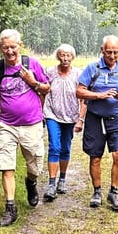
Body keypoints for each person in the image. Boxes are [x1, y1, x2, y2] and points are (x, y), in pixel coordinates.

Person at [0, 29, 50, 227]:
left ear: (19, 46)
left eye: (13, 47)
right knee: (6, 166)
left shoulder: (32, 64)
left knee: (35, 165)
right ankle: (10, 207)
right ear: (0, 48)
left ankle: (31, 183)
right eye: (6, 48)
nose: (10, 51)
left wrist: (33, 82)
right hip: (7, 126)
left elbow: (47, 88)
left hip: (32, 124)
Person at [76, 35, 118, 212]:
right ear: (102, 50)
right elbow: (79, 91)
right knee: (95, 157)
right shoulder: (92, 69)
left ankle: (114, 192)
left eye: (115, 52)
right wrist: (99, 96)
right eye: (109, 52)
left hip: (116, 118)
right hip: (95, 118)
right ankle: (97, 191)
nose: (112, 56)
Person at [42, 44, 86, 202]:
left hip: (70, 116)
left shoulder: (78, 74)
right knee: (54, 146)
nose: (65, 58)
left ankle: (62, 179)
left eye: (68, 56)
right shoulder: (50, 72)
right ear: (58, 57)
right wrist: (41, 112)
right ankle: (51, 184)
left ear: (73, 57)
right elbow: (43, 90)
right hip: (52, 114)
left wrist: (80, 119)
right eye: (62, 55)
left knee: (65, 147)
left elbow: (83, 98)